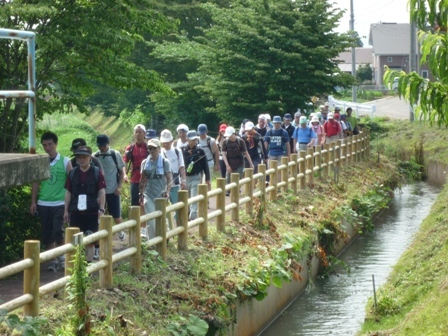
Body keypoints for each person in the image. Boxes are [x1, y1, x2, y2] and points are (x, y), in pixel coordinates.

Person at [30, 131, 72, 271]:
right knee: (47, 232)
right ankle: (52, 259)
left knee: (58, 230)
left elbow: (71, 183)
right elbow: (35, 182)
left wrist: (69, 204)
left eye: (50, 144)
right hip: (43, 202)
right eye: (45, 145)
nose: (47, 148)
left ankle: (61, 255)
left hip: (60, 202)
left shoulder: (65, 161)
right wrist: (33, 201)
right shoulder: (40, 163)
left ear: (56, 144)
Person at [63, 146, 106, 262]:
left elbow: (102, 192)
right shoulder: (72, 173)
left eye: (84, 157)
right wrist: (66, 210)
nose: (81, 160)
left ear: (89, 158)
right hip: (76, 212)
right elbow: (68, 193)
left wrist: (101, 210)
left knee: (90, 240)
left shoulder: (97, 172)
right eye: (79, 157)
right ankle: (78, 266)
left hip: (91, 212)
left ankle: (89, 265)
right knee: (76, 240)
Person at [94, 134, 126, 240]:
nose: (102, 148)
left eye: (103, 146)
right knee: (99, 216)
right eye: (100, 146)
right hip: (99, 193)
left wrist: (119, 187)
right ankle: (101, 238)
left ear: (108, 144)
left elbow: (122, 172)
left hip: (113, 191)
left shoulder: (114, 154)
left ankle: (120, 232)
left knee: (116, 216)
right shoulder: (95, 157)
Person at [139, 139, 172, 239]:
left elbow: (169, 178)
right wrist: (141, 193)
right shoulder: (145, 163)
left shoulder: (165, 162)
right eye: (149, 148)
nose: (151, 150)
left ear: (159, 149)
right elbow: (142, 180)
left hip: (160, 194)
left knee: (161, 217)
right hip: (148, 194)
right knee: (151, 218)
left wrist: (167, 192)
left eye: (154, 148)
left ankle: (164, 235)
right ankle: (154, 240)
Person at [182, 130, 210, 220]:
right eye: (192, 140)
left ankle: (193, 215)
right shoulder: (182, 150)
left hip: (196, 177)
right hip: (185, 177)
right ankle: (188, 213)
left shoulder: (200, 151)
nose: (194, 141)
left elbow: (205, 165)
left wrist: (208, 179)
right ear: (187, 140)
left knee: (194, 196)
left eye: (195, 140)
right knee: (187, 197)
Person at [222, 126, 253, 196]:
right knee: (228, 179)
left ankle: (236, 191)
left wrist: (251, 164)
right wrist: (227, 165)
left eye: (230, 135)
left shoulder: (240, 141)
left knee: (237, 178)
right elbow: (223, 154)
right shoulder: (225, 142)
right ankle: (228, 191)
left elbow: (246, 153)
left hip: (239, 163)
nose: (229, 137)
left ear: (234, 134)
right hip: (229, 162)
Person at [160, 129, 186, 207]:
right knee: (163, 208)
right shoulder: (159, 152)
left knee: (177, 207)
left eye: (167, 142)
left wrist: (183, 180)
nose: (165, 144)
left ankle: (178, 219)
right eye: (164, 142)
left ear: (171, 141)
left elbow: (181, 166)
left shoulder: (177, 151)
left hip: (175, 184)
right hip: (163, 185)